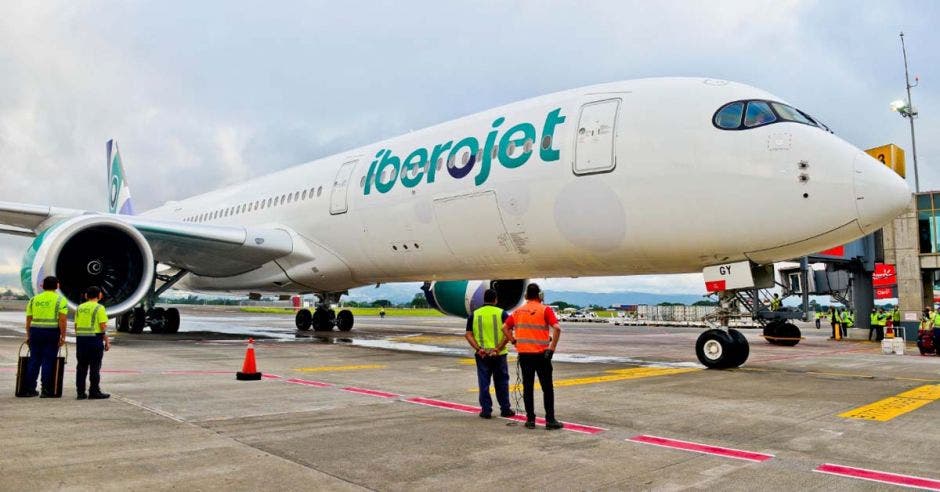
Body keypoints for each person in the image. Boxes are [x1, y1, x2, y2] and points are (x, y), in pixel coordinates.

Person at [503, 283, 563, 430]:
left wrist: (513, 341)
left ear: (526, 296)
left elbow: (504, 327)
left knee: (527, 388)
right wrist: (552, 348)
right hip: (542, 355)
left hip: (524, 356)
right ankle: (550, 420)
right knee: (547, 388)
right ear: (540, 296)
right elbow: (557, 328)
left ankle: (530, 420)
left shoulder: (518, 311)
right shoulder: (545, 309)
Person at [464, 289, 514, 419]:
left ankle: (486, 410)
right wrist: (498, 348)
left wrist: (478, 348)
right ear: (495, 299)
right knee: (502, 382)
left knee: (484, 382)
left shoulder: (474, 315)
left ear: (484, 300)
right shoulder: (502, 313)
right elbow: (508, 334)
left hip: (482, 355)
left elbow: (468, 335)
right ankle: (505, 409)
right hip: (499, 354)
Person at [21, 276, 68, 398]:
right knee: (48, 361)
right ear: (57, 286)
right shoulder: (60, 300)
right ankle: (46, 390)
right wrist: (63, 336)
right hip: (51, 333)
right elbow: (62, 320)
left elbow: (28, 320)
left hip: (35, 332)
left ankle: (29, 389)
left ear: (42, 286)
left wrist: (29, 335)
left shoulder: (33, 300)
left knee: (34, 360)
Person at [73, 286, 111, 400]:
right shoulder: (99, 308)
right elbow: (102, 326)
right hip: (95, 340)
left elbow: (76, 325)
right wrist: (107, 341)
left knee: (81, 367)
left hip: (81, 340)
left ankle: (80, 393)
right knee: (95, 367)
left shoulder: (79, 307)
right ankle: (94, 391)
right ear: (99, 295)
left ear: (86, 296)